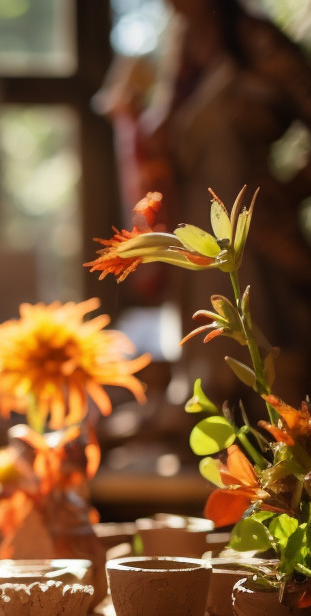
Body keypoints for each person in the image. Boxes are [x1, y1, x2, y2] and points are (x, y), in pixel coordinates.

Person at [99, 0, 311, 404]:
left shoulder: (256, 41)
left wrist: (286, 195)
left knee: (274, 382)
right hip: (197, 245)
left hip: (255, 240)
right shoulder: (180, 46)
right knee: (210, 386)